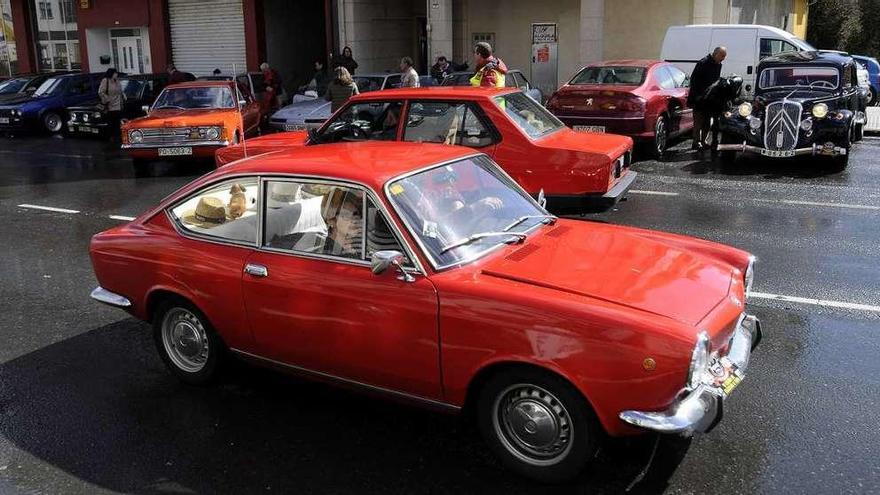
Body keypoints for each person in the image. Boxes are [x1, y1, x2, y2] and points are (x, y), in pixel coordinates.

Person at [688, 46, 726, 151]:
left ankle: (703, 141)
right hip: (699, 98)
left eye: (724, 56)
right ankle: (696, 142)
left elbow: (716, 81)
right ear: (716, 53)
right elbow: (694, 81)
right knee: (698, 122)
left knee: (707, 122)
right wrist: (698, 96)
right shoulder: (703, 63)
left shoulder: (718, 65)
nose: (723, 58)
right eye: (722, 56)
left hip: (710, 99)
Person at [98, 68, 124, 143]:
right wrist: (107, 99)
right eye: (115, 73)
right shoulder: (105, 81)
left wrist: (122, 101)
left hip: (118, 105)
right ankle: (111, 137)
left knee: (117, 122)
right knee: (111, 122)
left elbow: (120, 92)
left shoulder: (117, 81)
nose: (116, 74)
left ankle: (117, 136)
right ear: (111, 73)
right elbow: (100, 92)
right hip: (109, 105)